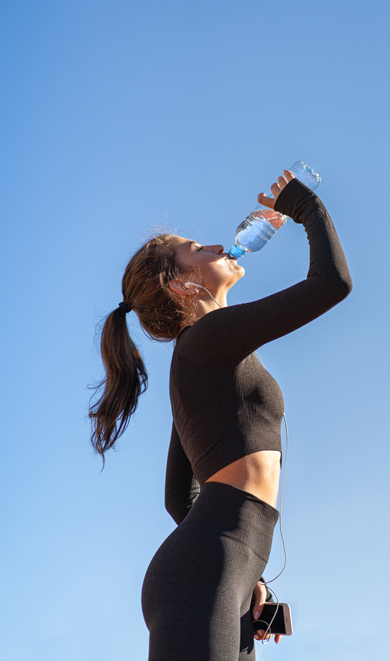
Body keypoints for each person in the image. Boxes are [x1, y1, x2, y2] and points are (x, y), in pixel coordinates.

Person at [89, 170, 352, 660]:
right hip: (205, 574)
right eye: (196, 248)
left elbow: (176, 497)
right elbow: (332, 284)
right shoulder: (207, 340)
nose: (214, 246)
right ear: (183, 284)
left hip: (214, 571)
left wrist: (247, 575)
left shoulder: (199, 357)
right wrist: (306, 206)